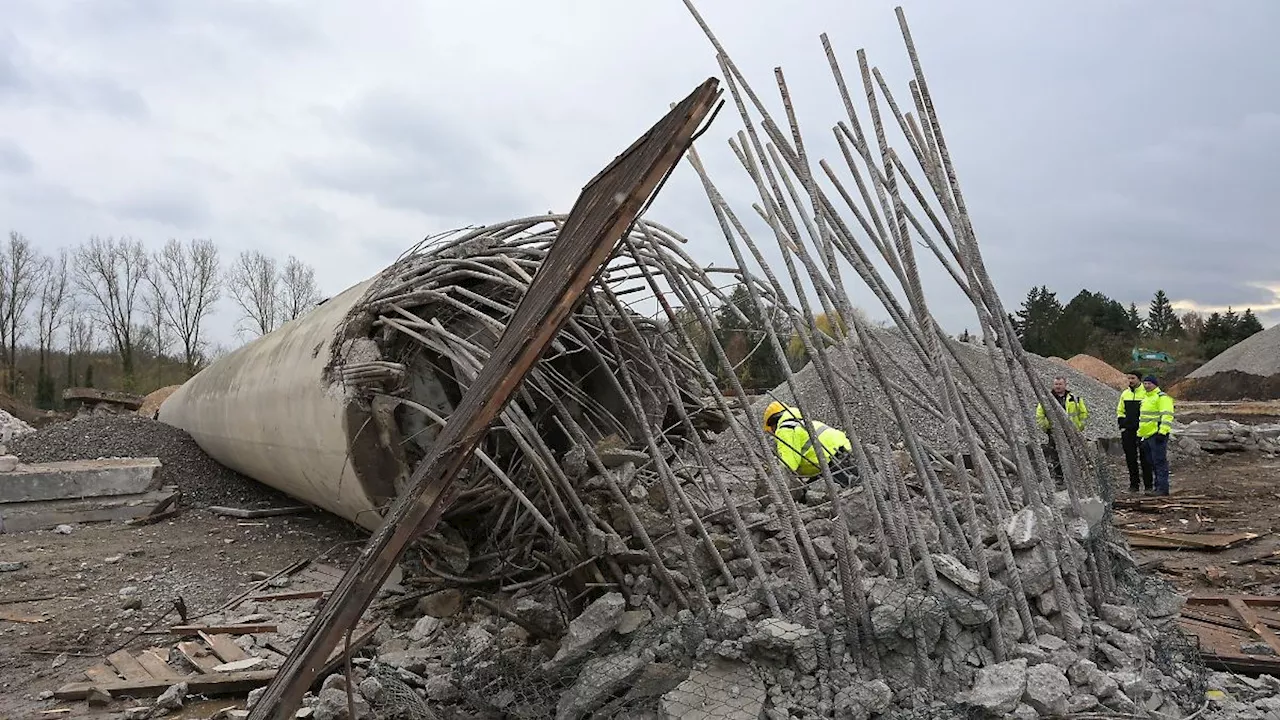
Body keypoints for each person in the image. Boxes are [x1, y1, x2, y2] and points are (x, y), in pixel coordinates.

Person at [762, 401, 856, 486]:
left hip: (833, 465)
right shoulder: (805, 423)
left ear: (773, 423)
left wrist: (773, 471)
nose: (773, 433)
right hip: (847, 455)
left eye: (771, 430)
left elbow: (788, 466)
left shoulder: (785, 430)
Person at [1137, 375, 1175, 496]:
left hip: (1157, 435)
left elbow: (1167, 415)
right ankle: (1157, 487)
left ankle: (1162, 488)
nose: (1147, 386)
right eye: (1145, 383)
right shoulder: (1145, 398)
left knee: (1159, 462)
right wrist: (1140, 435)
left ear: (1155, 384)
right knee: (1151, 462)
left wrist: (1162, 432)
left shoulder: (1162, 398)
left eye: (1149, 383)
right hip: (1147, 436)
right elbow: (1143, 419)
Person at [1116, 370, 1151, 493]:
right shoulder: (1125, 394)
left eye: (1133, 378)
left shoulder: (1147, 394)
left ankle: (1148, 486)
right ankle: (1134, 485)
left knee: (1145, 458)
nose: (1130, 381)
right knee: (1130, 459)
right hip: (1128, 431)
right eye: (1129, 378)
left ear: (1139, 379)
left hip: (1143, 430)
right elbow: (1120, 410)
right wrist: (1122, 424)